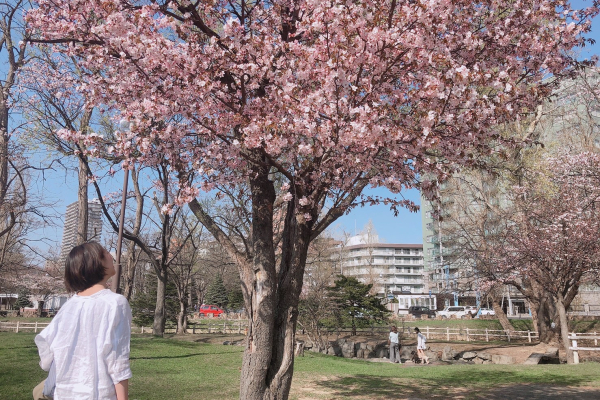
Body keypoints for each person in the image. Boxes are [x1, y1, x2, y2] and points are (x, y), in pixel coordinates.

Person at [34, 242, 132, 400]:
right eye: (107, 253)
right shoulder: (115, 303)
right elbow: (118, 363)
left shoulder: (68, 306)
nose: (111, 256)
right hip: (98, 393)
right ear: (96, 262)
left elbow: (46, 358)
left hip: (63, 393)